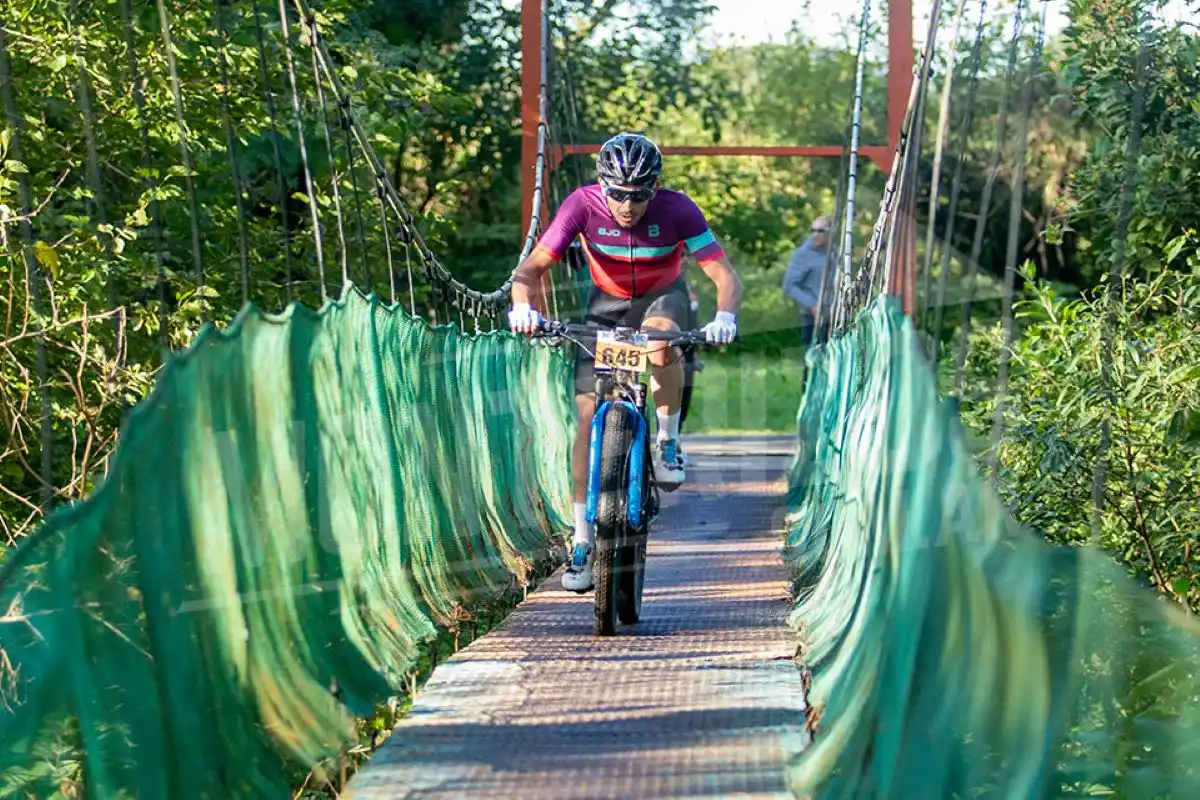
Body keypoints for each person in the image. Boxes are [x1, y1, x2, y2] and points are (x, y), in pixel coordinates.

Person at [508, 131, 742, 593]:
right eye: (617, 194)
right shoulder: (581, 204)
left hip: (663, 298)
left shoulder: (679, 209)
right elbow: (531, 270)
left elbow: (724, 275)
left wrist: (725, 317)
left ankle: (668, 441)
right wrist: (522, 305)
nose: (627, 205)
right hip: (607, 303)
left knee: (658, 343)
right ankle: (581, 540)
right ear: (601, 185)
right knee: (584, 417)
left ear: (655, 188)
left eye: (639, 195)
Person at [781, 215, 832, 345]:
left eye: (820, 231)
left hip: (837, 314)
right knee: (813, 359)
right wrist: (812, 305)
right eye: (812, 230)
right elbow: (789, 285)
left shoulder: (838, 252)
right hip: (813, 317)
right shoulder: (803, 255)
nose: (815, 234)